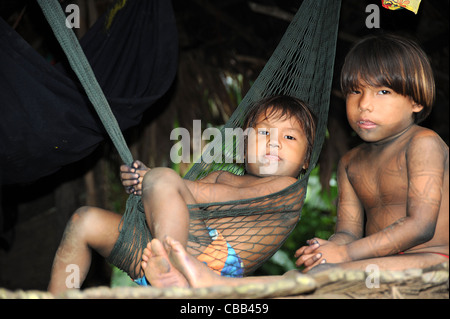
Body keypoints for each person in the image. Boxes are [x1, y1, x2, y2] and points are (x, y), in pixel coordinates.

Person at [139, 33, 448, 289]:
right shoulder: (351, 162)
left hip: (437, 257)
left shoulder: (423, 143)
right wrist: (327, 249)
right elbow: (349, 231)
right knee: (301, 278)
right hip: (380, 261)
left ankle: (217, 285)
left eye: (383, 91)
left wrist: (345, 252)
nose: (365, 105)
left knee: (319, 279)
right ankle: (207, 282)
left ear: (416, 100)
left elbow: (420, 226)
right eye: (355, 91)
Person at [47, 95, 316, 294]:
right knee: (84, 219)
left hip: (211, 263)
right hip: (157, 255)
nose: (273, 142)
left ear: (306, 161)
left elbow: (215, 196)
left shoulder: (288, 188)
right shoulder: (223, 176)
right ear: (245, 146)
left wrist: (157, 178)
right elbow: (178, 200)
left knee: (162, 177)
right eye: (265, 132)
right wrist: (142, 183)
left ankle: (172, 264)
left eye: (289, 138)